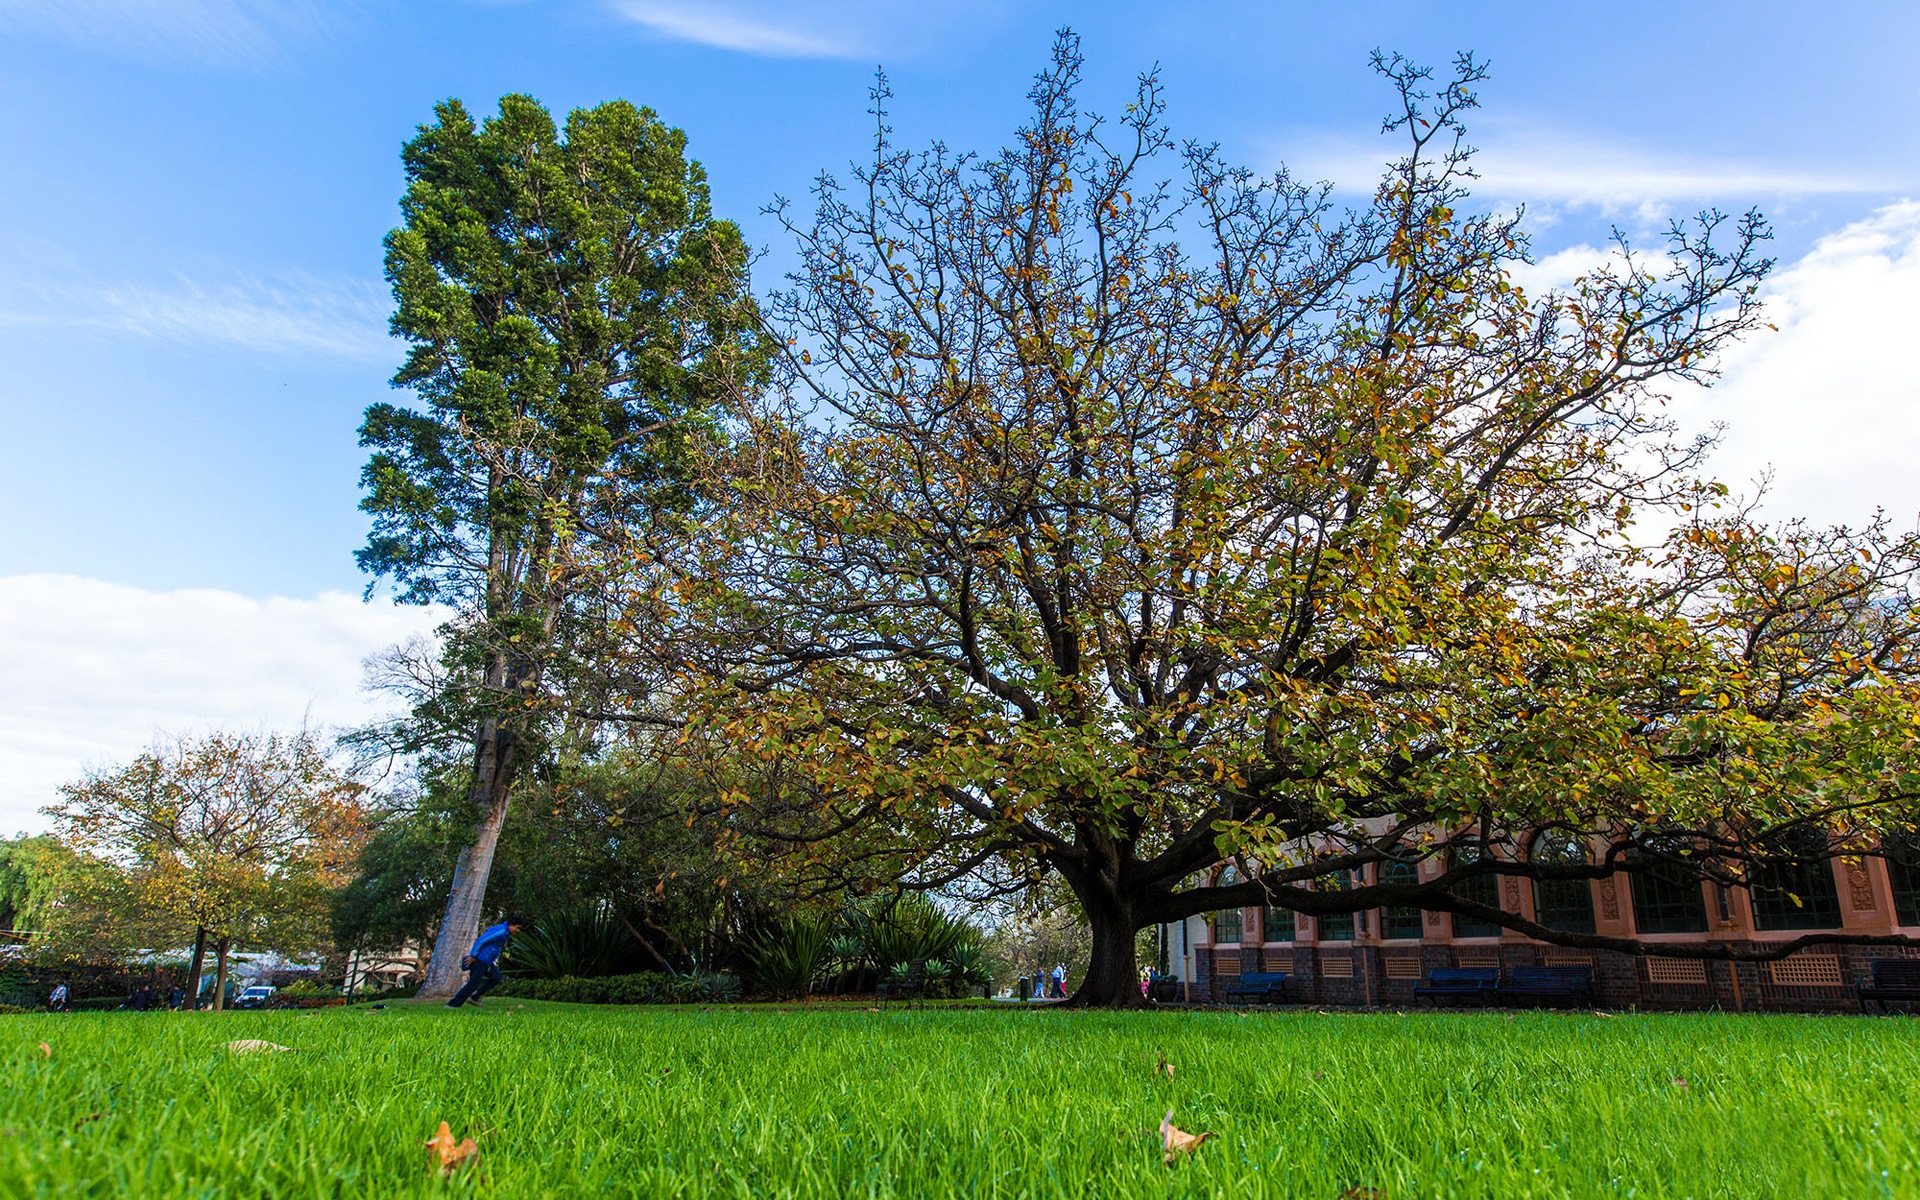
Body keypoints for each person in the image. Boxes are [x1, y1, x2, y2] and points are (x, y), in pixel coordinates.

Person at [446, 914, 527, 1008]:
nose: (518, 931)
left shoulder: (505, 933)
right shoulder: (501, 931)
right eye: (517, 928)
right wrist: (473, 955)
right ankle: (452, 1004)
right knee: (473, 983)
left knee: (496, 978)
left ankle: (475, 997)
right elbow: (481, 940)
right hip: (479, 959)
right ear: (511, 925)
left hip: (487, 962)